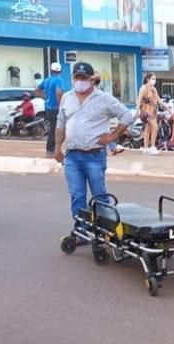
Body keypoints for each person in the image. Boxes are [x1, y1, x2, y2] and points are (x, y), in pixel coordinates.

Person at [54, 62, 134, 231]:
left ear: (91, 79)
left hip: (94, 156)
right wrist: (57, 147)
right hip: (72, 156)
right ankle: (82, 230)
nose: (80, 81)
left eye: (84, 78)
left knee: (100, 196)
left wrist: (113, 135)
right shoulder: (67, 98)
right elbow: (60, 123)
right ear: (73, 78)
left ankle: (105, 230)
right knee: (77, 195)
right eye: (77, 77)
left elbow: (127, 115)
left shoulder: (104, 99)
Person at [36, 62, 65, 158]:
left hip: (48, 108)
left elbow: (37, 90)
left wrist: (46, 97)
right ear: (60, 71)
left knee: (53, 129)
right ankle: (51, 150)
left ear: (51, 71)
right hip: (56, 108)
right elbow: (59, 93)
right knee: (56, 130)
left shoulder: (47, 80)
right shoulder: (59, 80)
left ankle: (52, 150)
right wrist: (61, 105)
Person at [137, 72, 161, 154]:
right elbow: (139, 99)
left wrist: (166, 107)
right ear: (148, 79)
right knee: (155, 127)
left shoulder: (153, 89)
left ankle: (146, 147)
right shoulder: (143, 88)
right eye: (153, 79)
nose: (154, 80)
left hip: (153, 111)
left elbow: (159, 100)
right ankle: (152, 146)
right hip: (146, 111)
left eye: (155, 79)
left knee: (148, 128)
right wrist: (137, 111)